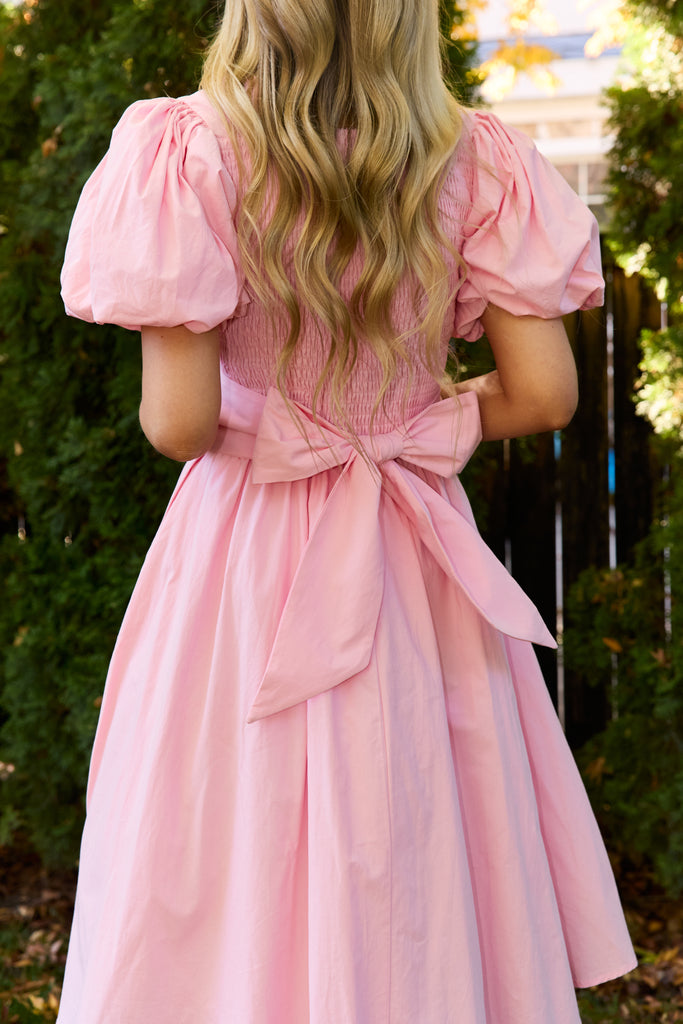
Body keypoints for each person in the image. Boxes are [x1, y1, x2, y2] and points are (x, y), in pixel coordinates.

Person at [57, 0, 637, 1020]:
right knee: (420, 818)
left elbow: (179, 423)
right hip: (415, 549)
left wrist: (286, 420)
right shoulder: (476, 159)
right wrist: (425, 418)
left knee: (233, 825)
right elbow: (544, 396)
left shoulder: (189, 153)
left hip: (247, 554)